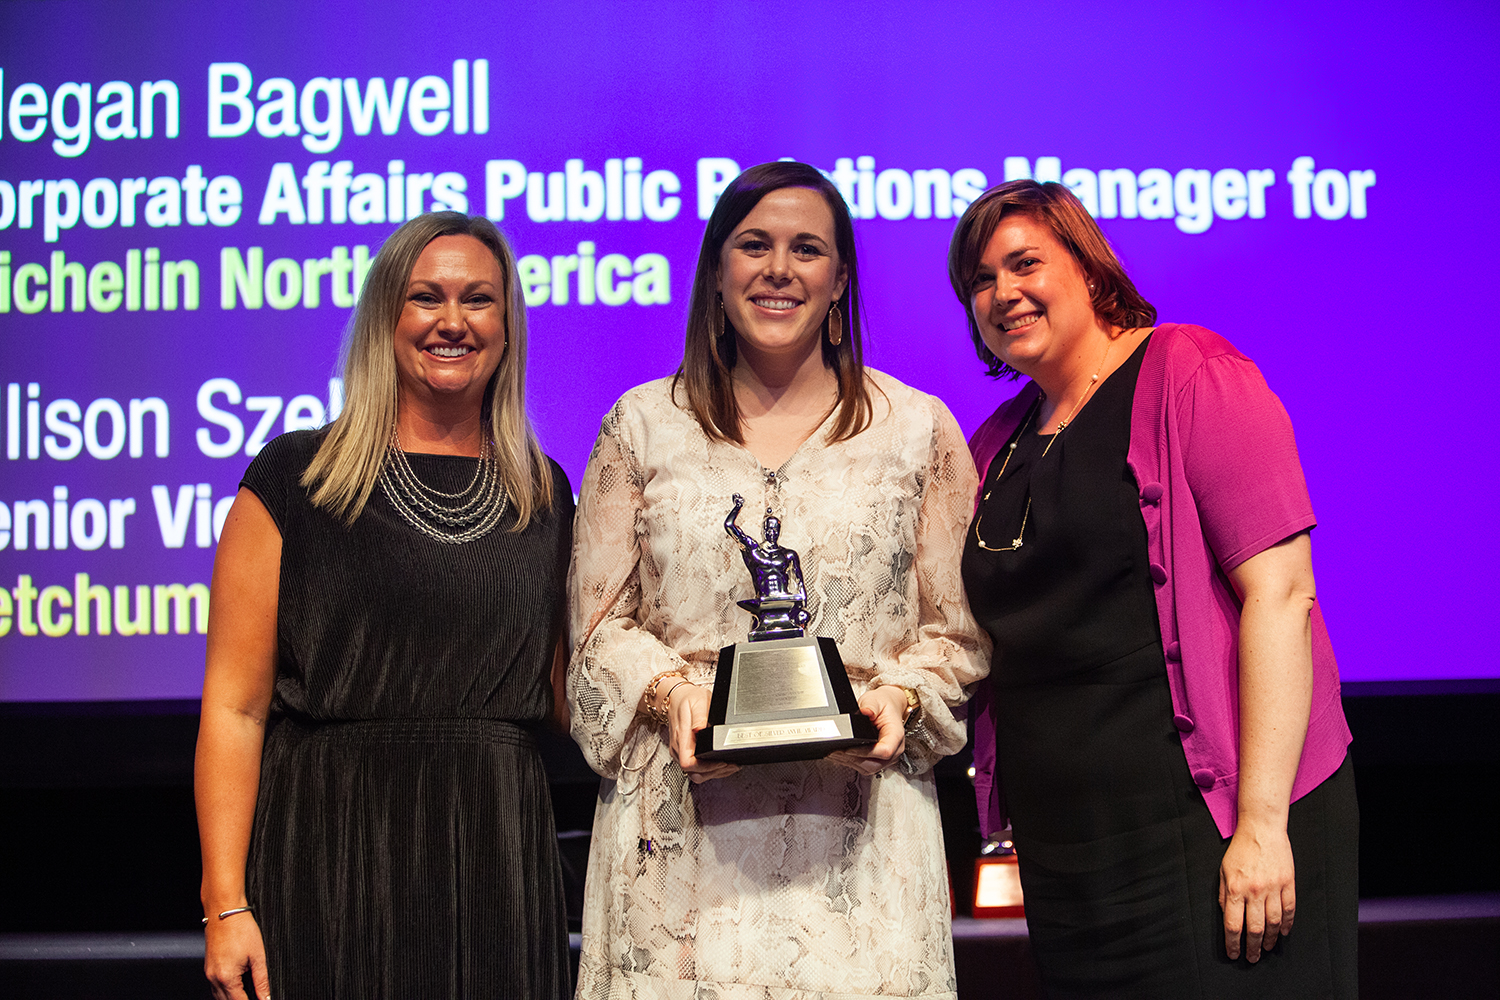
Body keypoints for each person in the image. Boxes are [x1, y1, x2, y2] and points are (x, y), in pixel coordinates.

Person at [567, 161, 990, 998]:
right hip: (680, 847)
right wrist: (668, 694)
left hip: (859, 838)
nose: (779, 269)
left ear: (840, 281)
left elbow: (960, 632)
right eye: (753, 245)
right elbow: (594, 633)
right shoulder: (641, 424)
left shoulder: (918, 430)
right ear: (717, 273)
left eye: (807, 250)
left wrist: (898, 699)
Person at [950, 180, 1358, 999]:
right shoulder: (995, 441)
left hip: (1211, 829)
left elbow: (1280, 595)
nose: (1003, 293)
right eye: (981, 281)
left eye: (1025, 263)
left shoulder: (1190, 373)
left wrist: (1262, 825)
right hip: (1072, 856)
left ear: (1090, 267)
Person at [194, 212, 574, 1000]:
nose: (452, 320)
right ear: (384, 321)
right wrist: (224, 903)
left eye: (478, 299)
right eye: (425, 297)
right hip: (331, 848)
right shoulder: (297, 478)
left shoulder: (546, 494)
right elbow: (234, 711)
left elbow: (574, 695)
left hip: (495, 855)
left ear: (507, 329)